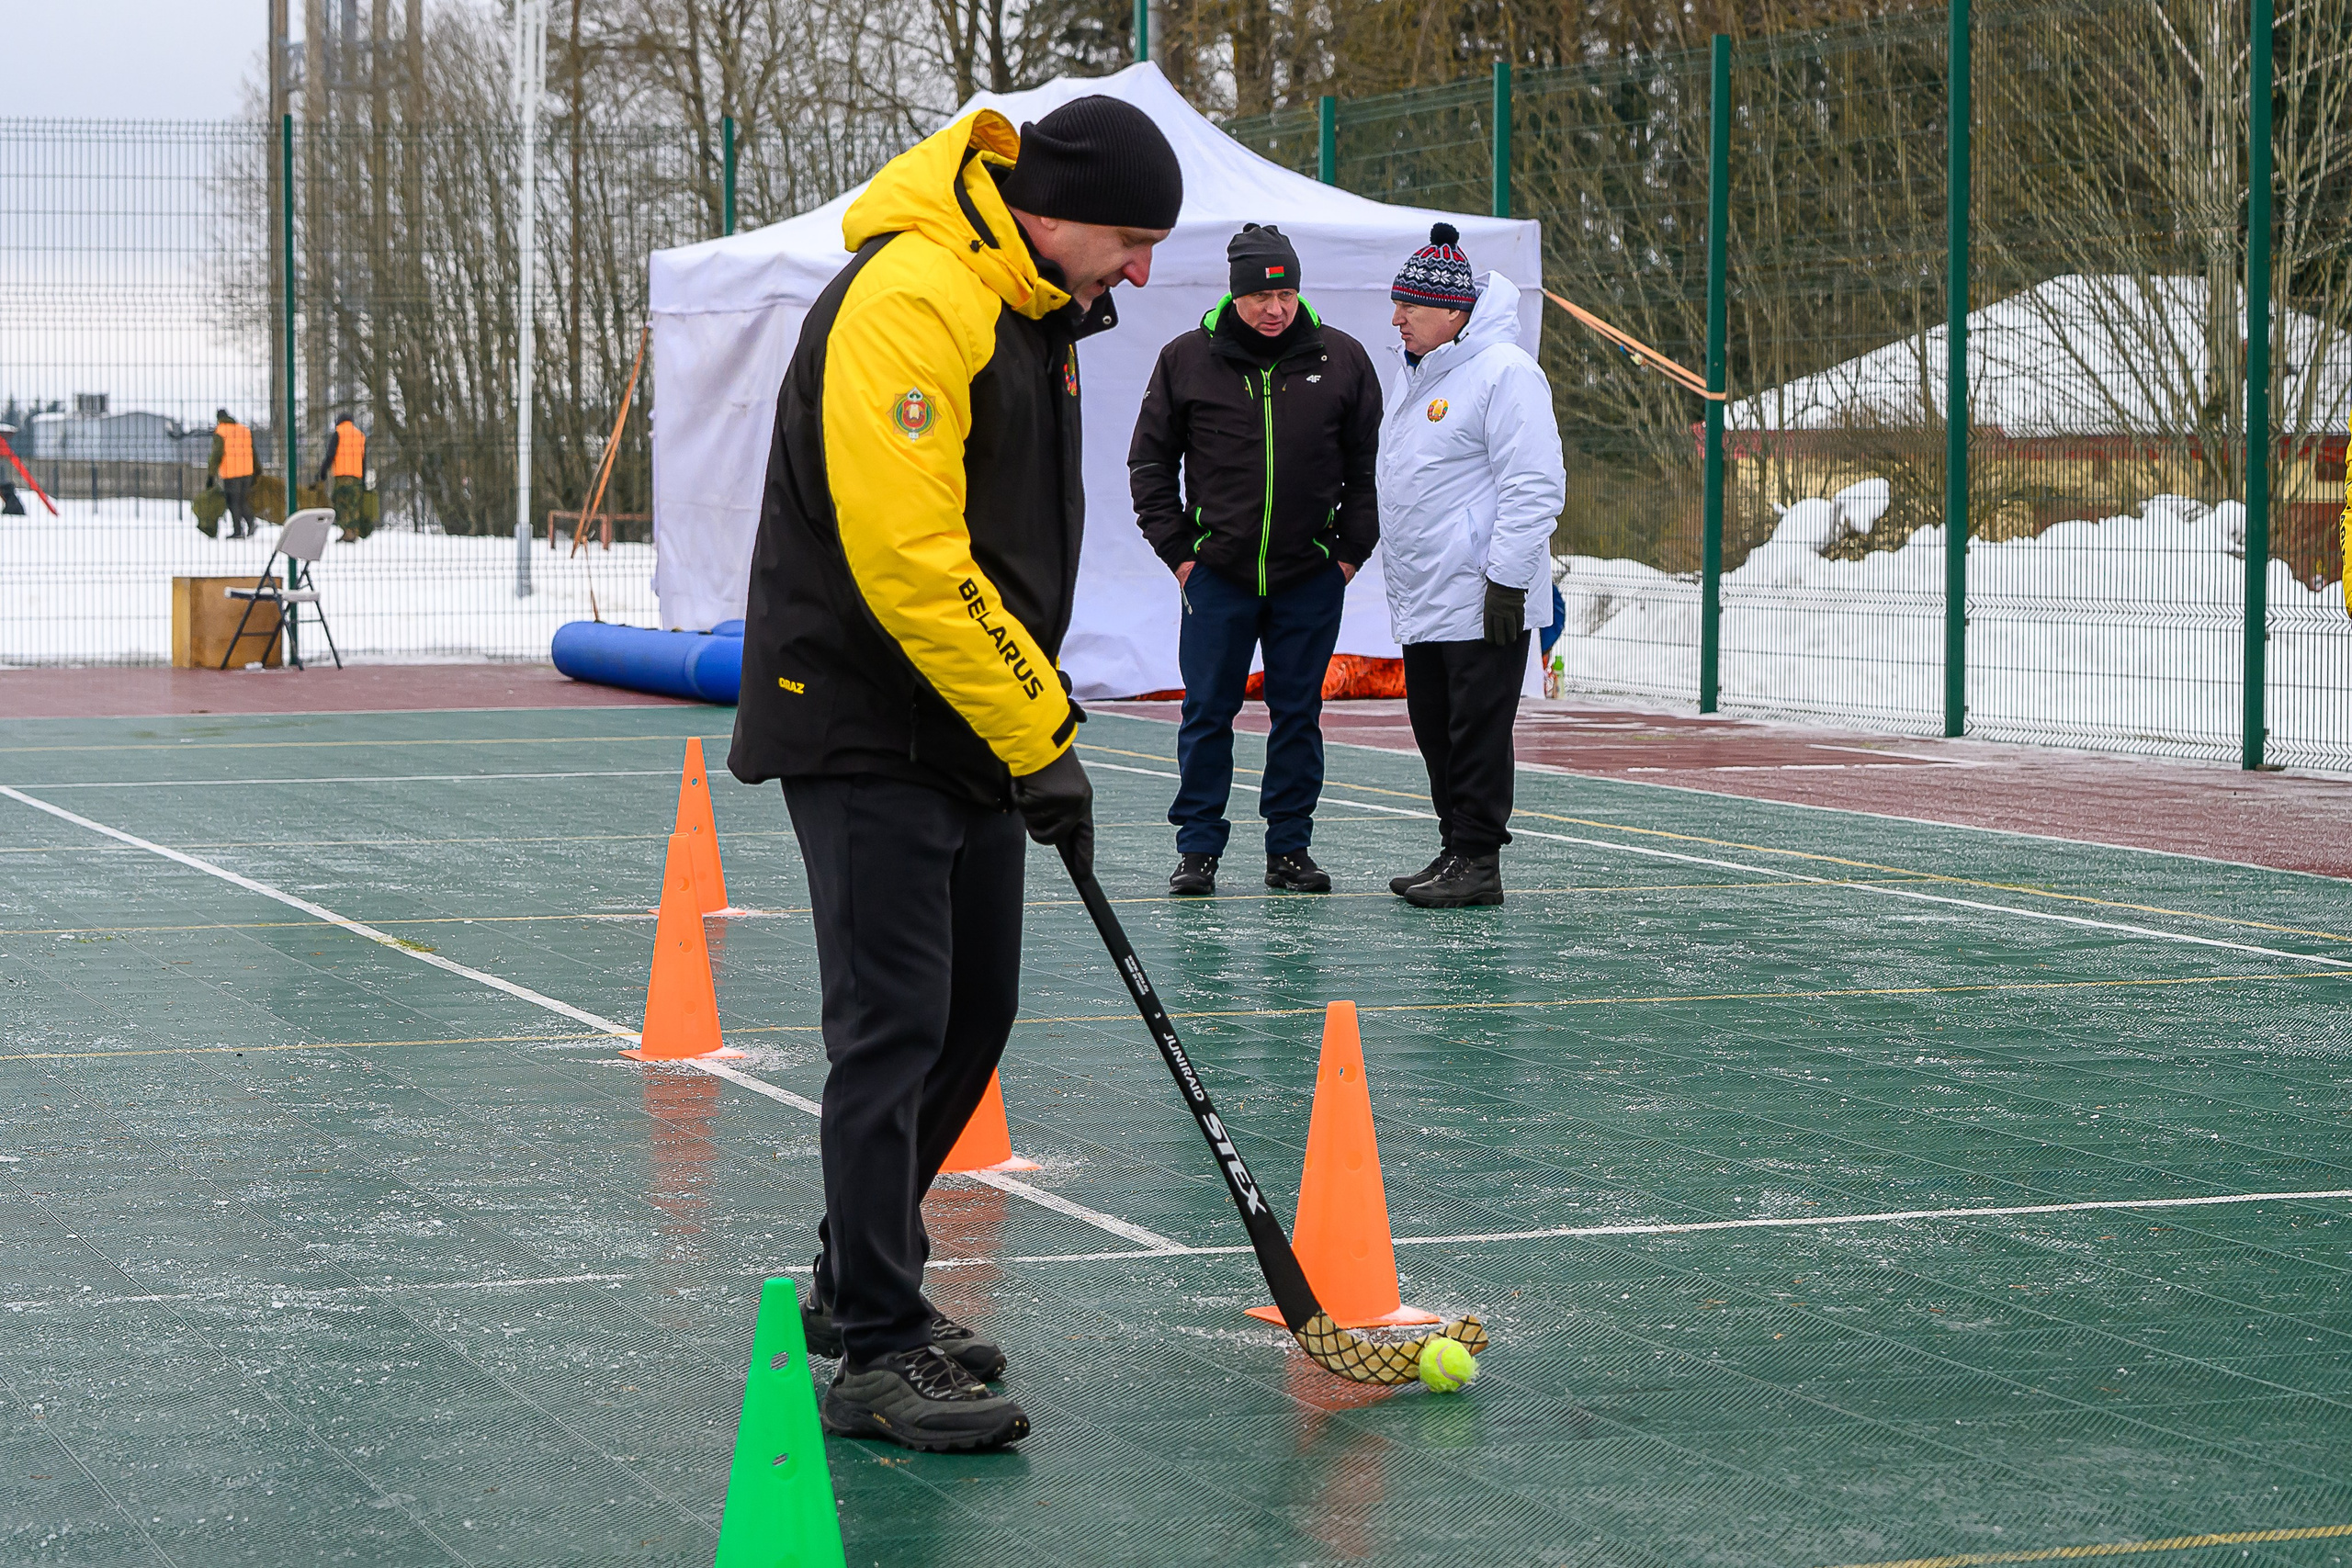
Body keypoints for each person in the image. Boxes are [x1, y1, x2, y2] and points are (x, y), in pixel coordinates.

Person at [727, 96, 1180, 1452]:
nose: (1141, 272)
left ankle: (854, 1276)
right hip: (867, 717)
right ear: (1050, 208)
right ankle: (873, 1345)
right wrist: (1041, 729)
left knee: (972, 1015)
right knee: (892, 1028)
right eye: (1129, 239)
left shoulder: (1031, 304)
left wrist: (1022, 724)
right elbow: (911, 557)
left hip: (966, 717)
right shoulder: (915, 296)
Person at [1128, 223, 1381, 897]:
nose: (1276, 310)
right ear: (1234, 295)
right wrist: (1182, 556)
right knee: (1207, 711)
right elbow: (1150, 464)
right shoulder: (1186, 359)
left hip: (1310, 578)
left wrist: (1349, 554)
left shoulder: (1343, 359)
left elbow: (1369, 469)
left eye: (1288, 294)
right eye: (1262, 298)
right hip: (1218, 578)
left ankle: (1289, 848)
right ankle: (1198, 850)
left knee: (1298, 712)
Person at [1375, 223, 1566, 908]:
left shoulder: (1506, 373)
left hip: (1486, 595)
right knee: (1435, 725)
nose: (1397, 318)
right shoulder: (1419, 374)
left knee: (1476, 730)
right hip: (1430, 595)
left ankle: (1479, 858)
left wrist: (1509, 580)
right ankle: (1455, 846)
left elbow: (1534, 483)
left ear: (1454, 311)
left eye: (1411, 307)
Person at [315, 412, 369, 540]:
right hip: (357, 476)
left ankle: (348, 531)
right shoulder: (360, 435)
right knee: (354, 504)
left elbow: (330, 454)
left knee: (340, 503)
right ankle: (353, 531)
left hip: (343, 476)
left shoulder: (338, 433)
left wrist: (322, 473)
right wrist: (364, 480)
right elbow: (364, 460)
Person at [208, 410, 258, 538]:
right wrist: (257, 470)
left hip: (231, 473)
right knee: (241, 501)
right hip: (247, 472)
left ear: (219, 419)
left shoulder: (220, 431)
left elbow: (216, 454)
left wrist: (211, 475)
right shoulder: (244, 429)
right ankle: (251, 522)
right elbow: (253, 452)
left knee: (233, 502)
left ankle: (238, 531)